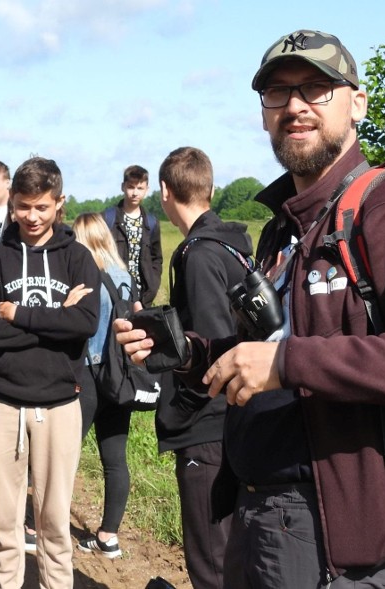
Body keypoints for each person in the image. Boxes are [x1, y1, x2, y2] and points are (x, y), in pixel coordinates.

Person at [116, 30, 385, 588]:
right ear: (263, 115)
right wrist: (189, 352)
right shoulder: (284, 229)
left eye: (316, 88)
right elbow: (264, 351)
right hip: (257, 507)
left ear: (357, 102)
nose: (295, 106)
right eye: (278, 94)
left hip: (332, 529)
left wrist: (288, 366)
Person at [0, 156, 100, 588]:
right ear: (12, 204)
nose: (31, 216)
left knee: (54, 523)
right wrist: (53, 318)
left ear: (59, 204)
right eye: (23, 206)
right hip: (3, 403)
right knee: (5, 522)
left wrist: (20, 315)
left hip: (60, 405)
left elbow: (85, 324)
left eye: (41, 207)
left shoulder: (78, 258)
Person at [157, 146, 252, 589]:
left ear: (164, 192)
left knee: (212, 561)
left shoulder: (198, 254)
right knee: (234, 554)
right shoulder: (233, 243)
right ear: (210, 189)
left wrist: (179, 413)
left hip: (210, 426)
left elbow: (215, 345)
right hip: (242, 417)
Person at [70, 212, 135, 560]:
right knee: (115, 458)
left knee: (65, 452)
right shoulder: (125, 275)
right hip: (120, 375)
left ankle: (37, 526)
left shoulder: (87, 276)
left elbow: (82, 328)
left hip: (91, 374)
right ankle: (109, 536)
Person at [102, 165, 163, 306]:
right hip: (115, 293)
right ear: (123, 187)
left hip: (143, 296)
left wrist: (152, 287)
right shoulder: (107, 218)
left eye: (140, 188)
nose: (135, 193)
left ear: (147, 190)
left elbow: (156, 258)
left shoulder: (152, 222)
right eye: (131, 187)